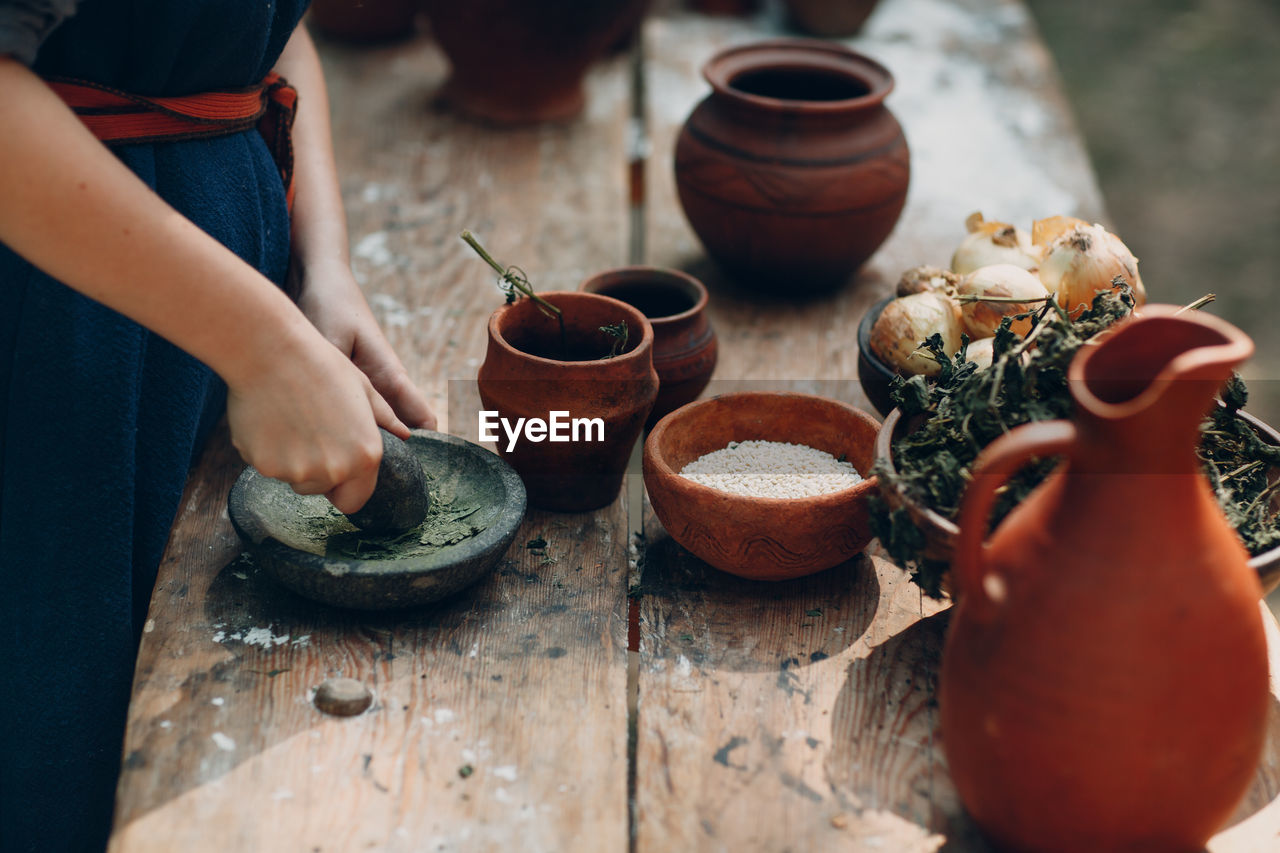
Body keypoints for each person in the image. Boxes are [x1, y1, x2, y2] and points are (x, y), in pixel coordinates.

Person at [0, 2, 435, 849]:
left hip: (219, 324)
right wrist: (261, 345)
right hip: (61, 338)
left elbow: (268, 33)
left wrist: (323, 267)